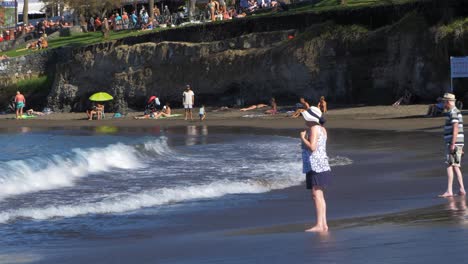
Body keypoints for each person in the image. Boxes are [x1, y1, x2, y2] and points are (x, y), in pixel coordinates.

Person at [300, 106, 331, 232]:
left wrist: (302, 137)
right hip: (321, 164)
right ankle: (323, 224)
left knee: (316, 194)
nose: (304, 120)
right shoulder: (322, 129)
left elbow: (312, 147)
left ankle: (320, 225)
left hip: (316, 165)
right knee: (319, 195)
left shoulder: (314, 128)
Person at [439, 93, 466, 198]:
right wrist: (460, 146)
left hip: (453, 143)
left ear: (448, 102)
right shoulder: (456, 112)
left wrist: (453, 144)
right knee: (456, 166)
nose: (443, 103)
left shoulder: (453, 112)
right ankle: (462, 189)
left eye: (444, 101)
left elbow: (455, 128)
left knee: (450, 165)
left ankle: (449, 191)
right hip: (457, 143)